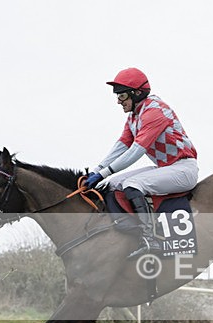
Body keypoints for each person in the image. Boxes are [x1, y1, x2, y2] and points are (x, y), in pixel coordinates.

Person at [84, 67, 198, 257]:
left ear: (137, 93)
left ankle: (149, 238)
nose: (118, 101)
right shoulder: (133, 117)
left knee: (132, 184)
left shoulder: (154, 111)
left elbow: (136, 151)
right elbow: (121, 146)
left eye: (121, 96)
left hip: (184, 169)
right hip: (166, 168)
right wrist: (97, 170)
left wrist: (102, 172)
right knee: (112, 184)